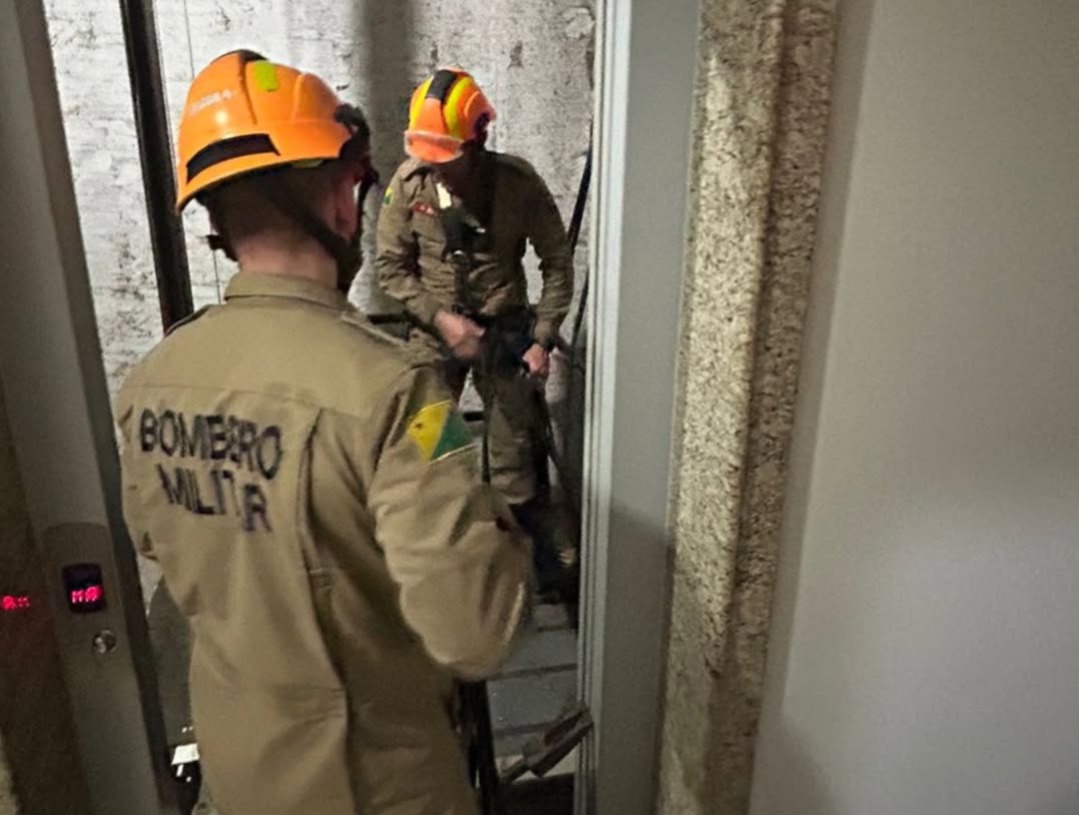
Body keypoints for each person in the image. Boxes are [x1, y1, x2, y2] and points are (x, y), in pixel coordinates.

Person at [115, 51, 531, 815]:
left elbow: (154, 538)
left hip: (241, 770)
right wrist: (499, 532)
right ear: (343, 199)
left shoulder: (152, 380)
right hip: (375, 784)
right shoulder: (404, 394)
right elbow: (474, 629)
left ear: (214, 218)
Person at [375, 68, 574, 593]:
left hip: (504, 334)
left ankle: (519, 571)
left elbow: (557, 262)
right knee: (431, 454)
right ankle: (438, 570)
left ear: (478, 139)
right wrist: (443, 320)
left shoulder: (517, 184)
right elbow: (391, 269)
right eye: (430, 157)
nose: (437, 169)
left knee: (513, 462)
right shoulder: (410, 185)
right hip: (434, 335)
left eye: (448, 156)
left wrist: (542, 338)